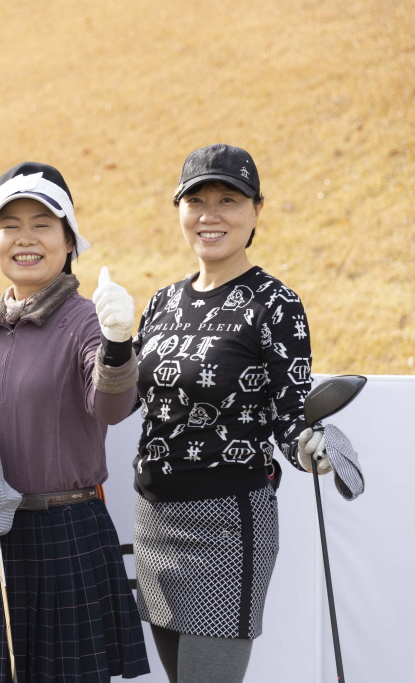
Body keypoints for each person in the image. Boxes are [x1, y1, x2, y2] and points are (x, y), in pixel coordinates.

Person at [129, 143, 348, 683]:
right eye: (196, 201)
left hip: (228, 523)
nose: (211, 214)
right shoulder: (161, 302)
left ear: (256, 211)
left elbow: (290, 411)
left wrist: (311, 446)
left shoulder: (275, 302)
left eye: (228, 200)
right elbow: (126, 399)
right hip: (154, 520)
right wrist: (109, 346)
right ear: (179, 210)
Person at [0, 162, 150, 682]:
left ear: (69, 240)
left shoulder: (87, 320)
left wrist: (118, 344)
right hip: (0, 527)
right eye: (10, 225)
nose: (25, 238)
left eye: (42, 224)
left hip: (69, 528)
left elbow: (111, 407)